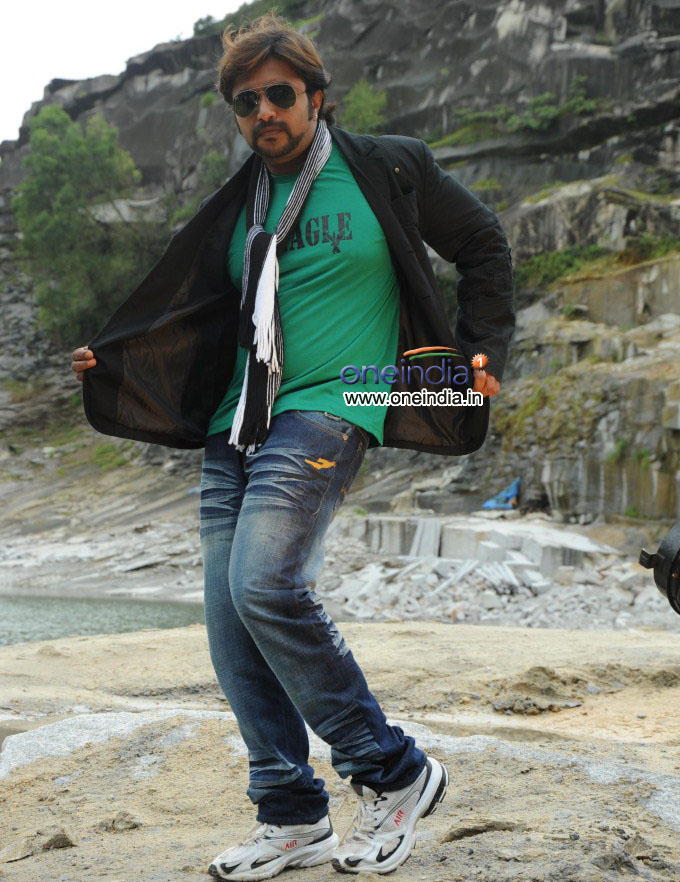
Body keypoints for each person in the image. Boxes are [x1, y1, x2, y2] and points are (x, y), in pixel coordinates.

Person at [71, 13, 514, 879]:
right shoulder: (239, 203)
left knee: (264, 584)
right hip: (238, 418)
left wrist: (481, 350)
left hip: (342, 399)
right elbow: (193, 312)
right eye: (246, 103)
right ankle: (289, 812)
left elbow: (483, 244)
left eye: (279, 95)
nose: (263, 112)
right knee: (229, 619)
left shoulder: (388, 167)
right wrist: (115, 359)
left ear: (316, 97)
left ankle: (392, 771)